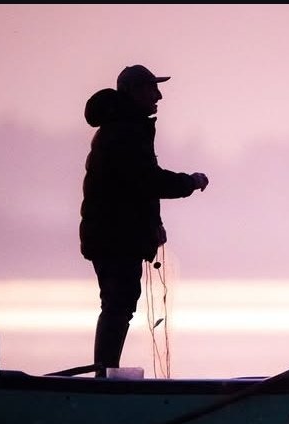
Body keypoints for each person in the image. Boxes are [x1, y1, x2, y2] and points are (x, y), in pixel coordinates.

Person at [80, 64, 209, 377]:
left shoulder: (124, 127)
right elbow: (147, 181)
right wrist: (189, 182)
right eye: (152, 88)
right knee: (118, 304)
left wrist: (153, 227)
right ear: (134, 92)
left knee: (119, 303)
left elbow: (135, 190)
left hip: (114, 235)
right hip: (114, 237)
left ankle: (105, 373)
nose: (159, 96)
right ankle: (104, 376)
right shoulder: (125, 131)